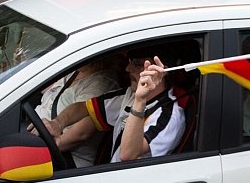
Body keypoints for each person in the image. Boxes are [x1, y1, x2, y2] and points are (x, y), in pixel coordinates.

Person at [42, 46, 186, 163]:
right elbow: (85, 107)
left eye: (137, 64)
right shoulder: (130, 94)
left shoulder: (169, 115)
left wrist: (140, 101)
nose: (128, 68)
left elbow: (128, 154)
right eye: (130, 61)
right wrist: (57, 123)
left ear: (160, 72)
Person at [35, 57, 122, 167]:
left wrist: (41, 149)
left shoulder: (102, 84)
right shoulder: (75, 71)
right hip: (39, 134)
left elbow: (81, 133)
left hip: (63, 157)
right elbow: (46, 89)